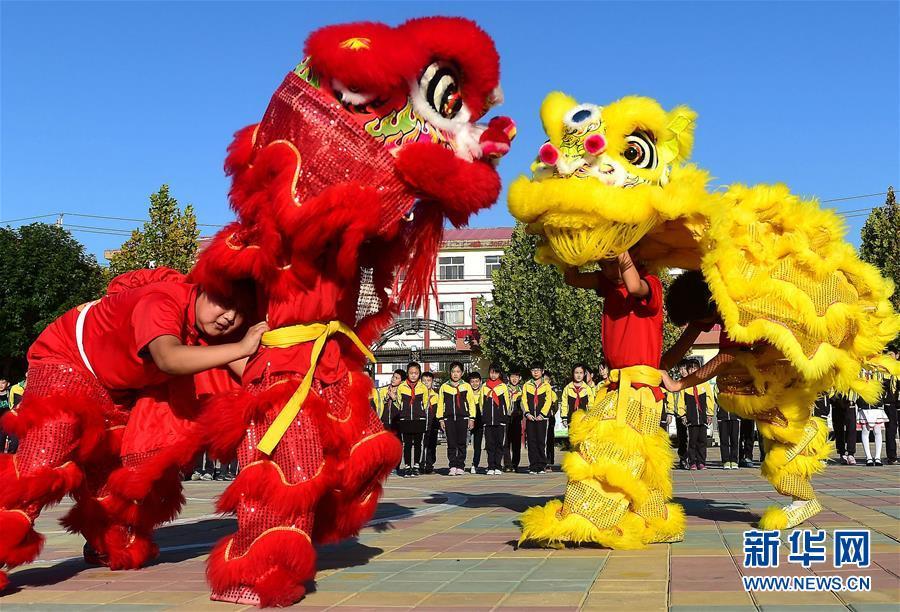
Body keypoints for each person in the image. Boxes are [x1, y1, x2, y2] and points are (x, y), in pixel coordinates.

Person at [0, 269, 263, 582]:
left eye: (241, 313)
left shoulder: (212, 326)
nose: (229, 317)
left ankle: (102, 542)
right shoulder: (162, 301)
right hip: (66, 360)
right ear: (204, 287)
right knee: (45, 453)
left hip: (116, 390)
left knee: (111, 475)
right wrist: (243, 347)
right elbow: (168, 358)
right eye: (225, 302)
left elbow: (251, 370)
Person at [521, 250, 684, 547]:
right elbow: (571, 277)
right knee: (638, 459)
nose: (607, 269)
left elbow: (636, 287)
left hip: (638, 392)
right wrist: (573, 248)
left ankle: (588, 519)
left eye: (613, 262)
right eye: (603, 263)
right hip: (616, 388)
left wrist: (619, 249)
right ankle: (657, 522)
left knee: (606, 453)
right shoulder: (610, 286)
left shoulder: (650, 284)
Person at [437, 362, 476, 475]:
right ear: (450, 372)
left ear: (462, 373)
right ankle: (452, 465)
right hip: (448, 419)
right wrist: (441, 418)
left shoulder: (466, 386)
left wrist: (472, 418)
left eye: (458, 372)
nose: (455, 374)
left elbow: (471, 403)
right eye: (453, 371)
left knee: (462, 442)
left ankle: (460, 465)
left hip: (463, 418)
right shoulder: (444, 387)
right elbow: (440, 403)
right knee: (451, 442)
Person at [396, 362, 428, 477]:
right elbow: (399, 402)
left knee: (418, 443)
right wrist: (404, 413)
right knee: (407, 444)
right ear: (407, 373)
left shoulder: (423, 387)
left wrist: (420, 412)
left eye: (416, 373)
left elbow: (425, 403)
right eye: (411, 373)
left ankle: (416, 465)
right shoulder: (401, 387)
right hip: (406, 419)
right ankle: (407, 466)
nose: (413, 375)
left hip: (419, 419)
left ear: (419, 374)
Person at [680, 359, 714, 470]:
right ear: (688, 370)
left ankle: (701, 462)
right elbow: (681, 401)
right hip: (691, 418)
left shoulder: (704, 383)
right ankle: (692, 462)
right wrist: (683, 415)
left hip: (702, 417)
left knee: (702, 441)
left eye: (695, 368)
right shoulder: (685, 384)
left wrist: (710, 414)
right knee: (692, 441)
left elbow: (710, 398)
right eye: (691, 368)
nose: (693, 370)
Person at [479, 364, 511, 475]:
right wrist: (484, 416)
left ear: (499, 374)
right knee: (490, 444)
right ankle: (490, 466)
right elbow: (481, 403)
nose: (493, 375)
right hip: (488, 421)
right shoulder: (484, 386)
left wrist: (505, 416)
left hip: (500, 420)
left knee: (499, 444)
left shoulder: (503, 386)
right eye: (492, 372)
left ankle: (498, 466)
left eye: (496, 373)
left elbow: (507, 403)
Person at [522, 363, 553, 474]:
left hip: (542, 419)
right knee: (531, 442)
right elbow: (524, 400)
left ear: (542, 371)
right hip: (530, 418)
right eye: (533, 370)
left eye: (538, 370)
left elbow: (548, 401)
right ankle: (533, 465)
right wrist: (527, 413)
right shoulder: (526, 385)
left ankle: (541, 465)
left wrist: (542, 414)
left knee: (541, 441)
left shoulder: (546, 386)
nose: (535, 372)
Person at [855, 382, 888, 466]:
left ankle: (878, 457)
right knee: (865, 431)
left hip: (876, 405)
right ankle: (868, 457)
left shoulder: (878, 373)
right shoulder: (859, 373)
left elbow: (885, 386)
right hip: (864, 406)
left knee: (877, 431)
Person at [503, 369, 524, 472]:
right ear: (508, 378)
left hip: (517, 418)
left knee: (516, 442)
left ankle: (515, 464)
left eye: (516, 376)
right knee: (506, 441)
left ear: (519, 378)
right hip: (506, 418)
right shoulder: (504, 389)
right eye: (512, 376)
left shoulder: (522, 390)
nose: (514, 379)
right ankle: (507, 464)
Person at [717, 384, 741, 469]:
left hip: (735, 417)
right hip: (722, 417)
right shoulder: (718, 385)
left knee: (735, 440)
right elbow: (716, 398)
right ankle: (726, 461)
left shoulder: (737, 386)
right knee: (724, 440)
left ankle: (734, 460)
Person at [420, 371, 439, 474]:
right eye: (424, 381)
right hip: (421, 425)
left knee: (432, 445)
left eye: (428, 381)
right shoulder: (419, 395)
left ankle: (430, 464)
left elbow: (439, 410)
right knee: (422, 445)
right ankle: (421, 464)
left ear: (432, 382)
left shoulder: (436, 396)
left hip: (433, 425)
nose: (426, 383)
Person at [880, 354, 898, 465]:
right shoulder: (883, 372)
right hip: (890, 404)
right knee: (891, 430)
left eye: (892, 355)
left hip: (898, 403)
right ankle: (892, 456)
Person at [467, 371, 484, 474]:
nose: (474, 384)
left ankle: (475, 464)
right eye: (472, 381)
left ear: (480, 382)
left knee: (477, 446)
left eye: (476, 381)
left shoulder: (483, 392)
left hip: (479, 423)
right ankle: (460, 464)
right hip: (467, 421)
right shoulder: (466, 393)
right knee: (462, 444)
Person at [543, 371, 559, 471]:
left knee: (549, 440)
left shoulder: (553, 394)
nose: (545, 382)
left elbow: (556, 406)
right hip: (540, 419)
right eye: (543, 379)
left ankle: (549, 461)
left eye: (547, 380)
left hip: (550, 418)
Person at [0, 379, 10, 453]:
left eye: (3, 383)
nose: (0, 385)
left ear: (8, 384)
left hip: (7, 421)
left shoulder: (10, 393)